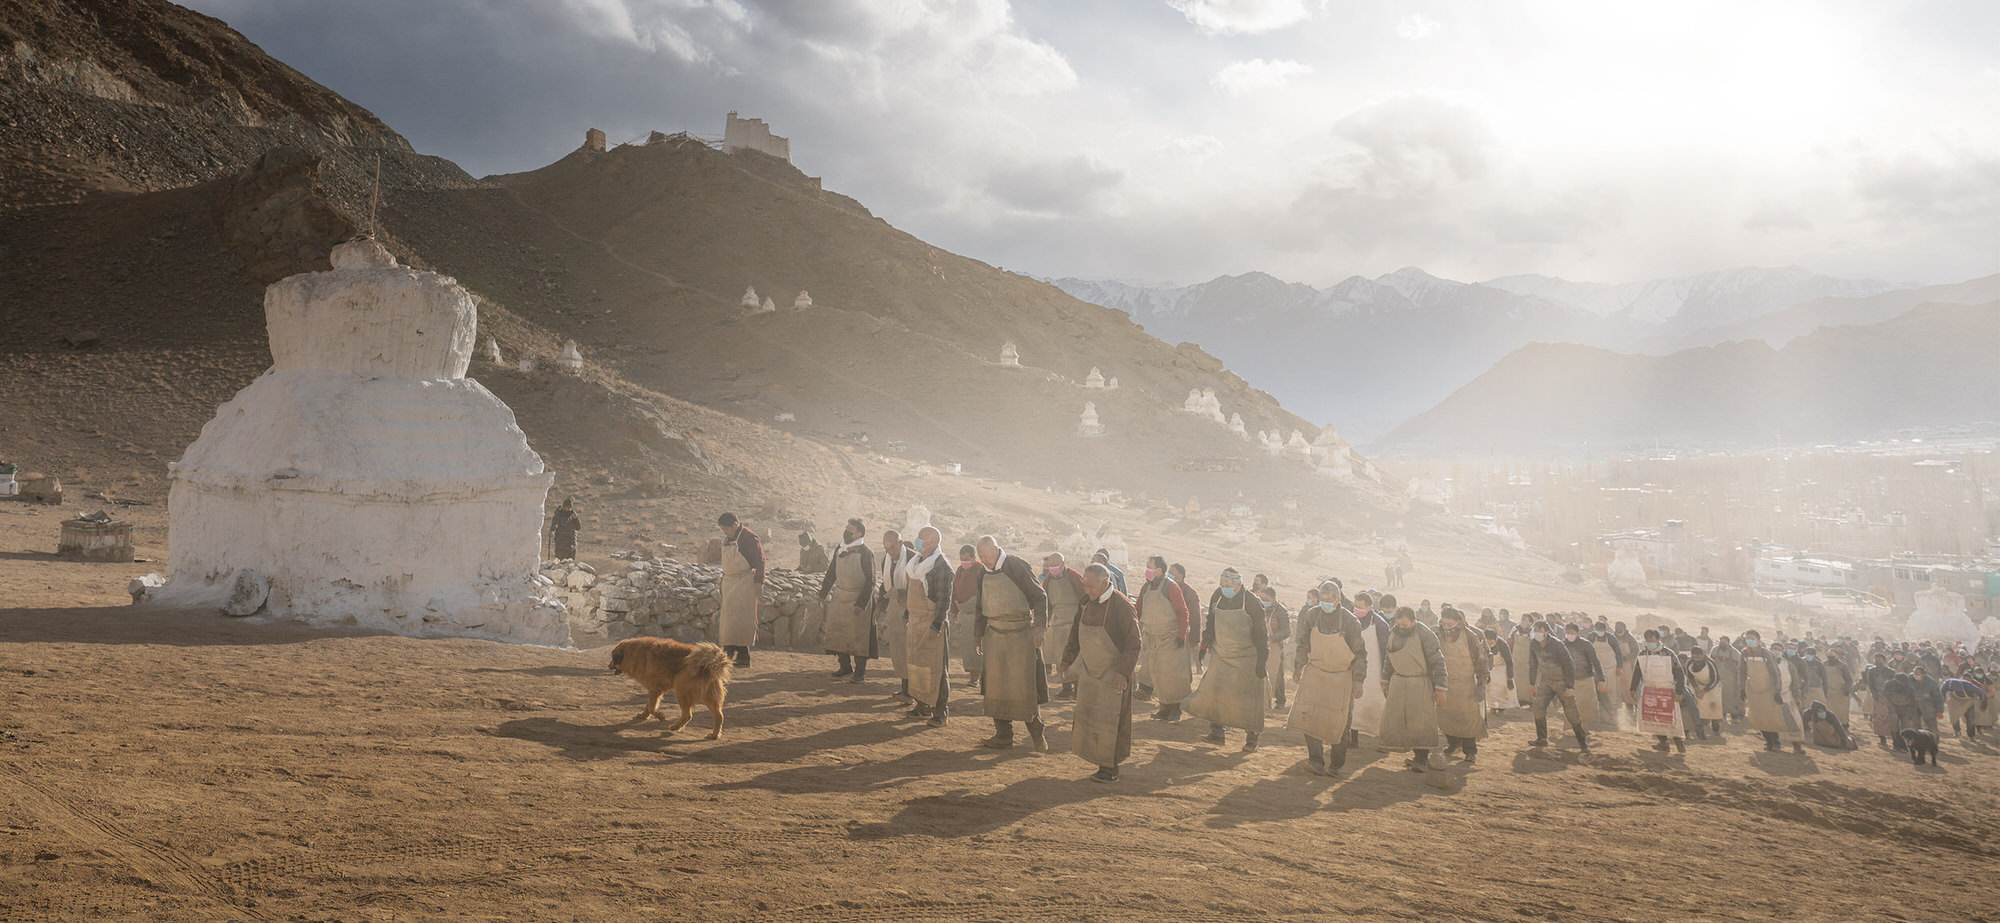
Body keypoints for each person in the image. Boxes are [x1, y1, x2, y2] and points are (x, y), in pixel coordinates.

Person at [1061, 564, 1141, 782]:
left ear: (1105, 583)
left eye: (1091, 585)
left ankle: (1110, 768)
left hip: (1114, 675)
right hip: (1090, 672)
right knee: (1091, 719)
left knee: (1111, 722)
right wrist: (1067, 660)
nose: (1086, 588)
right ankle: (1097, 761)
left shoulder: (1122, 606)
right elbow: (1075, 634)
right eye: (1084, 584)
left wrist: (1123, 673)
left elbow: (1134, 643)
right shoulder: (1086, 603)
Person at [973, 536, 1050, 751]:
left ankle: (1037, 736)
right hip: (995, 636)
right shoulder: (982, 573)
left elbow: (1039, 596)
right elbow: (980, 606)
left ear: (997, 550)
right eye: (981, 557)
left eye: (987, 556)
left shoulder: (1016, 566)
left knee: (1023, 688)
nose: (985, 560)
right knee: (996, 688)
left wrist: (1040, 628)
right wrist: (977, 635)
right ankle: (1003, 735)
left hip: (1020, 637)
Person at [1290, 581, 1367, 775]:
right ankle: (1315, 760)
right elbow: (1303, 643)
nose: (1324, 603)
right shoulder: (1312, 615)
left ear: (1338, 599)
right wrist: (1298, 666)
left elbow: (1359, 654)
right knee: (1310, 717)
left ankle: (1336, 765)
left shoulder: (1350, 622)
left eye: (1329, 600)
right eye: (1322, 599)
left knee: (1340, 722)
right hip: (1315, 672)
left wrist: (1358, 681)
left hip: (1341, 676)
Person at [1186, 568, 1267, 751]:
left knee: (1247, 697)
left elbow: (1261, 634)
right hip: (1221, 654)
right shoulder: (1218, 596)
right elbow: (1211, 622)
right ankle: (1216, 733)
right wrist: (1204, 645)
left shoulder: (1252, 602)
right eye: (1222, 585)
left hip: (1246, 657)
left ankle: (1252, 738)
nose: (1224, 588)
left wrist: (1261, 662)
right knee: (1216, 691)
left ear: (1238, 585)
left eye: (1228, 586)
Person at [1380, 606, 1448, 772]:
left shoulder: (1425, 635)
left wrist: (1440, 687)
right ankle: (1414, 755)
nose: (1402, 628)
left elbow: (1438, 662)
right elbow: (1388, 658)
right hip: (1398, 682)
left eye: (1405, 625)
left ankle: (1422, 759)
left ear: (1413, 621)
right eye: (1399, 624)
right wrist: (1385, 679)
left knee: (1420, 721)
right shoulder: (1394, 632)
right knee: (1398, 720)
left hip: (1420, 683)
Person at [902, 526, 953, 726]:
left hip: (932, 623)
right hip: (916, 621)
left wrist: (936, 625)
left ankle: (941, 712)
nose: (917, 541)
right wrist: (907, 613)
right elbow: (912, 592)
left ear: (931, 541)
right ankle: (922, 706)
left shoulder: (941, 566)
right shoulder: (917, 563)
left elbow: (943, 600)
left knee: (937, 669)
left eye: (920, 538)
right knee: (918, 666)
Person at [818, 518, 877, 682]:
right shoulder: (840, 549)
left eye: (850, 529)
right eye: (846, 528)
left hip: (858, 599)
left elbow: (871, 581)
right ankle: (845, 667)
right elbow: (831, 573)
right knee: (837, 633)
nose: (846, 531)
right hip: (840, 596)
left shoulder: (866, 553)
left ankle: (860, 673)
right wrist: (823, 593)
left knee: (859, 636)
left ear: (859, 533)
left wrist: (861, 604)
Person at [1134, 555, 1193, 721]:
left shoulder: (1171, 587)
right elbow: (1137, 609)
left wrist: (1181, 635)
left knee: (1172, 675)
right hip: (1153, 638)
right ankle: (1164, 707)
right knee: (1157, 673)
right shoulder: (1146, 587)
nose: (1147, 570)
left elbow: (1183, 612)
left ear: (1159, 570)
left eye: (1149, 566)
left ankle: (1175, 709)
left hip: (1170, 637)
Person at [1524, 619, 1590, 753]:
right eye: (1535, 631)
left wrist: (1570, 686)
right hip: (1546, 681)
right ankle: (1542, 739)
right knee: (1538, 708)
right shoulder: (1534, 645)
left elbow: (1569, 665)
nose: (1536, 633)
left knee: (1572, 713)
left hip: (1562, 682)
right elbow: (1533, 665)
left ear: (1547, 632)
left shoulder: (1557, 645)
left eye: (1539, 631)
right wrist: (1532, 683)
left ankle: (1583, 744)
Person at [1434, 606, 1489, 764]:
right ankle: (1453, 744)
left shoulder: (1470, 636)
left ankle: (1470, 751)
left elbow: (1481, 660)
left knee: (1468, 719)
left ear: (1458, 622)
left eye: (1449, 624)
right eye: (1443, 623)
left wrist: (1481, 683)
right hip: (1445, 684)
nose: (1446, 626)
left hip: (1465, 684)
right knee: (1446, 716)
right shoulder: (1437, 634)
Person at [1739, 629, 1804, 754]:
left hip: (1769, 690)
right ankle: (1768, 741)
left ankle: (1776, 743)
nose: (1749, 641)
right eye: (1748, 639)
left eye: (1752, 639)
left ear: (1758, 640)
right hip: (1753, 689)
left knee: (1771, 717)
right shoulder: (1744, 653)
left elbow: (1775, 673)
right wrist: (1741, 688)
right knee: (1759, 717)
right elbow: (1741, 671)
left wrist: (1776, 691)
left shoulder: (1766, 654)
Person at [715, 512, 764, 668]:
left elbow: (760, 561)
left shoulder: (749, 538)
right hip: (730, 582)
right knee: (729, 619)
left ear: (734, 525)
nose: (724, 532)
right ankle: (742, 656)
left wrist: (759, 582)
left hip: (744, 582)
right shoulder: (730, 538)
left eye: (725, 529)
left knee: (742, 619)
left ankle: (729, 654)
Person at [1630, 630, 1687, 753]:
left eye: (1652, 640)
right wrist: (1633, 688)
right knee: (1654, 718)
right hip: (1650, 690)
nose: (1650, 643)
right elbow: (1637, 672)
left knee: (1672, 718)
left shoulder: (1668, 654)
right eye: (1648, 641)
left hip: (1667, 689)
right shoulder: (1642, 654)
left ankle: (1679, 743)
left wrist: (1679, 690)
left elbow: (1679, 673)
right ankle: (1663, 743)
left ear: (1657, 640)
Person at [1040, 552, 1087, 700]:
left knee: (1076, 656)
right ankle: (1066, 687)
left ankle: (1079, 689)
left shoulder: (1073, 576)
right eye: (1050, 565)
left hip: (1074, 622)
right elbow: (1046, 600)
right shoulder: (1048, 579)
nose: (1052, 568)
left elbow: (1084, 597)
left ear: (1063, 564)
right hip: (1058, 623)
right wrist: (1045, 620)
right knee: (1060, 656)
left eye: (1055, 565)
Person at [1348, 593, 1391, 745]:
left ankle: (1383, 739)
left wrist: (1386, 675)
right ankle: (1353, 739)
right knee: (1354, 703)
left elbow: (1386, 651)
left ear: (1369, 607)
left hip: (1375, 669)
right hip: (1356, 667)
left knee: (1378, 703)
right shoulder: (1351, 620)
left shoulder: (1380, 625)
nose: (1357, 609)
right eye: (1355, 606)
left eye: (1360, 607)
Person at [876, 530, 912, 699]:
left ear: (900, 543)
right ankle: (905, 688)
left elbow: (922, 588)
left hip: (911, 610)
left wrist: (901, 593)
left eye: (892, 547)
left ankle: (914, 691)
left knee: (910, 650)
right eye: (886, 548)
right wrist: (880, 606)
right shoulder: (887, 560)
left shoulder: (914, 558)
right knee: (898, 650)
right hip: (894, 609)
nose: (890, 551)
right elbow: (885, 585)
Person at [949, 544, 984, 685]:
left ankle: (979, 676)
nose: (964, 562)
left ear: (974, 558)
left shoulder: (980, 569)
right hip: (964, 611)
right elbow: (954, 591)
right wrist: (954, 610)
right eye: (961, 559)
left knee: (978, 644)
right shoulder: (959, 570)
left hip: (977, 613)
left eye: (967, 559)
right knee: (967, 645)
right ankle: (972, 674)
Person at [1562, 623, 1608, 729]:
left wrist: (1601, 679)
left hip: (1586, 679)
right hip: (1571, 682)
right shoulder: (1563, 645)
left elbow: (1595, 662)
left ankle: (1589, 727)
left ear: (1578, 633)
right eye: (1567, 633)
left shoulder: (1586, 645)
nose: (1569, 635)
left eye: (1572, 633)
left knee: (1588, 705)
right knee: (1571, 705)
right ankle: (1570, 727)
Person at [1259, 586, 1292, 709]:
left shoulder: (1281, 611)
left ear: (1274, 599)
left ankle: (1280, 701)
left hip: (1275, 647)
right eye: (1262, 598)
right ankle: (1261, 698)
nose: (1263, 600)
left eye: (1266, 599)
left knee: (1277, 674)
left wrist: (1272, 638)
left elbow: (1286, 631)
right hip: (1260, 645)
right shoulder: (1259, 607)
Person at [1684, 645, 1725, 740]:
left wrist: (1705, 690)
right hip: (1698, 685)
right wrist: (1695, 687)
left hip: (1713, 687)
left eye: (1699, 657)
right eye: (1695, 657)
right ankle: (1700, 728)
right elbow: (1689, 676)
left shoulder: (1710, 663)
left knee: (1714, 708)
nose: (1697, 659)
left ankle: (1716, 729)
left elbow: (1715, 679)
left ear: (1703, 655)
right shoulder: (1689, 662)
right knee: (1699, 708)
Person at [1862, 653, 1899, 746]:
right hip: (1877, 697)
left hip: (1889, 698)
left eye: (1879, 659)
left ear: (1884, 660)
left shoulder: (1891, 672)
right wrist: (1875, 695)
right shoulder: (1872, 671)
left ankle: (1894, 739)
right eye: (1876, 659)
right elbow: (1870, 684)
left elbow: (1894, 685)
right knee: (1878, 719)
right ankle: (1882, 738)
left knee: (1891, 719)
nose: (1877, 661)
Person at [1941, 674, 1987, 739]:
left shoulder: (1969, 685)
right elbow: (1942, 692)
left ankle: (1971, 735)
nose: (1959, 692)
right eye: (1957, 691)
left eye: (1960, 692)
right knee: (1954, 716)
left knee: (1970, 718)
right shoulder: (1947, 684)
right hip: (1955, 701)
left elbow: (1980, 692)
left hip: (1968, 701)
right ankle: (1957, 731)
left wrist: (1982, 699)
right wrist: (1944, 699)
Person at [1484, 628, 1515, 717]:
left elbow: (1509, 662)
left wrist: (1510, 678)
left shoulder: (1503, 645)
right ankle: (1492, 707)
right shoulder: (1482, 644)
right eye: (1487, 642)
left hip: (1502, 668)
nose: (1489, 644)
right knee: (1489, 688)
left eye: (1491, 642)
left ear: (1496, 640)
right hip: (1489, 668)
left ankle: (1501, 708)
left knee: (1502, 688)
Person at [1711, 636, 1743, 720]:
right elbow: (1711, 661)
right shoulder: (1715, 650)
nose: (1722, 644)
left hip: (1731, 679)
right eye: (1721, 642)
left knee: (1732, 697)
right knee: (1719, 696)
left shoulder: (1736, 653)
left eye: (1724, 642)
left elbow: (1740, 667)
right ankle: (1722, 714)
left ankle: (1734, 715)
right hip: (1717, 678)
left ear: (1729, 643)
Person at [1910, 666, 1943, 734]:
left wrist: (1940, 711)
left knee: (1932, 727)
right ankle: (1918, 742)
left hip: (1928, 707)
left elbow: (1938, 697)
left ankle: (1934, 741)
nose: (1915, 675)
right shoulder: (1909, 678)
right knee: (1915, 727)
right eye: (1914, 673)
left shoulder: (1931, 683)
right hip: (1914, 706)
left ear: (1923, 674)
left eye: (1917, 674)